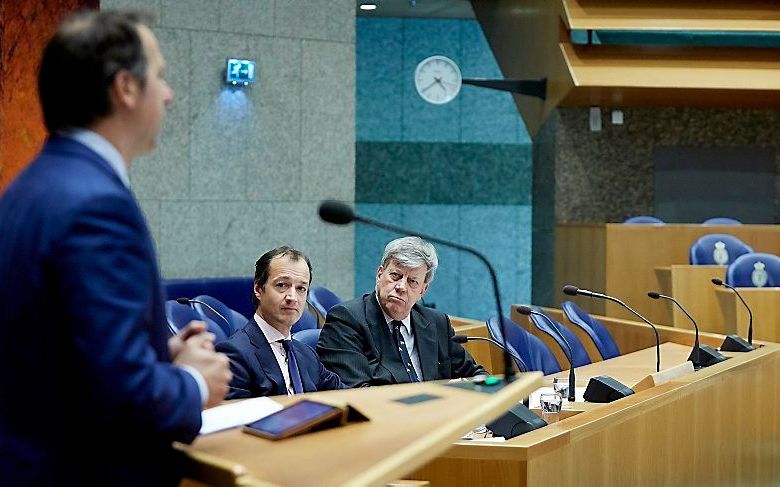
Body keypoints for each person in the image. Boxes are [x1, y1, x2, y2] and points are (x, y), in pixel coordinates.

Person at [0, 10, 231, 485]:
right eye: (161, 76)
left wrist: (157, 353)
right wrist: (193, 383)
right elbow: (121, 399)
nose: (168, 94)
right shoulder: (98, 205)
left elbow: (56, 354)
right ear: (126, 87)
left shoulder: (29, 189)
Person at [317, 236, 486, 387]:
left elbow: (478, 375)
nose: (401, 287)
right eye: (395, 276)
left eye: (412, 281)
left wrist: (464, 389)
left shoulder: (437, 323)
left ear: (423, 290)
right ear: (379, 274)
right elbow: (358, 394)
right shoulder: (346, 320)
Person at [216, 247, 345, 398]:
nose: (292, 297)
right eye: (282, 285)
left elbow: (351, 395)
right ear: (258, 289)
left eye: (301, 288)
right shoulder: (234, 353)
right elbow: (237, 418)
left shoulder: (307, 354)